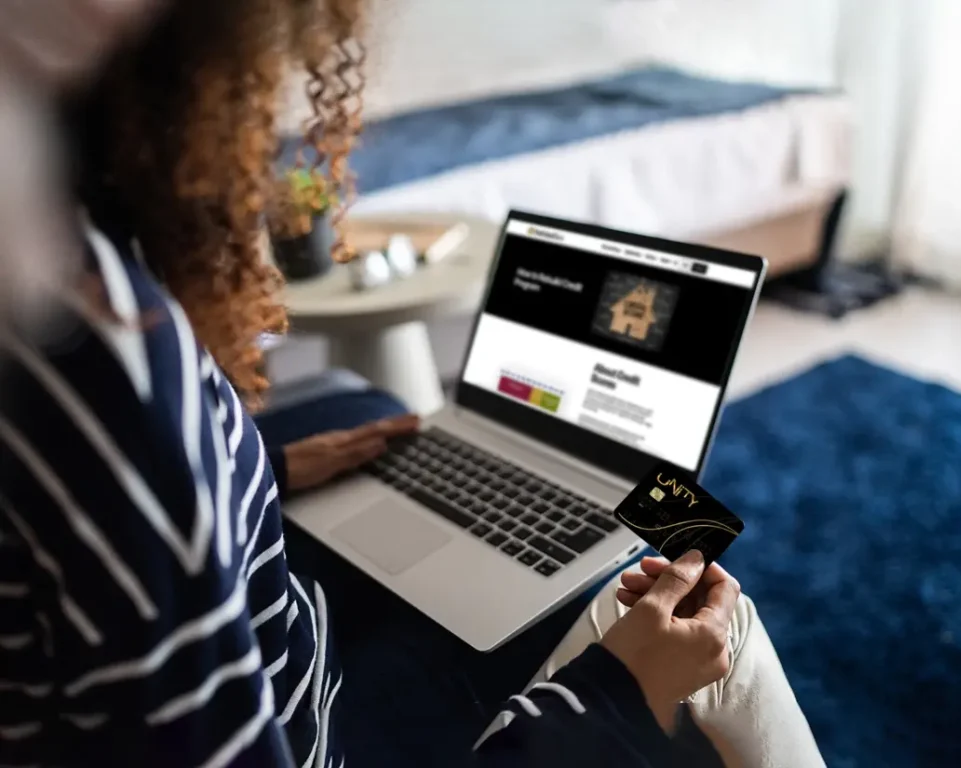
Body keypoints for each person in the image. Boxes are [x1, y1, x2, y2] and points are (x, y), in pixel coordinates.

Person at [0, 0, 824, 766]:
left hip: (273, 638)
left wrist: (264, 474)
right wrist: (620, 681)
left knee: (382, 416)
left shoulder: (66, 299)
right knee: (720, 626)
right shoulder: (101, 349)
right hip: (324, 733)